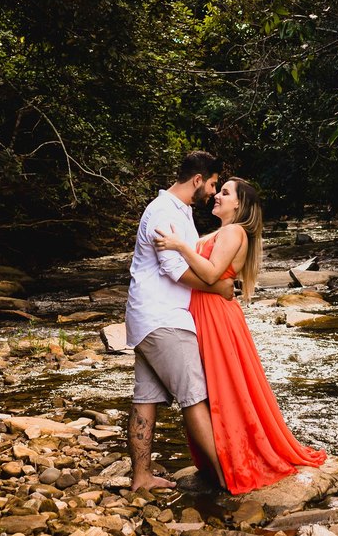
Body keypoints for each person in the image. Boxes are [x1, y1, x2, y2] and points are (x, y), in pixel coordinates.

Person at [154, 177, 327, 495]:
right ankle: (219, 456)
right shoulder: (222, 232)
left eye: (224, 193)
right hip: (206, 311)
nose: (217, 196)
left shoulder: (234, 232)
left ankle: (234, 455)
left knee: (223, 387)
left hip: (216, 316)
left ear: (239, 204)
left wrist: (179, 245)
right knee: (211, 386)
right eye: (219, 191)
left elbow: (209, 273)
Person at [125, 150, 235, 493]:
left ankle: (141, 477)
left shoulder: (180, 211)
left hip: (150, 318)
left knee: (146, 398)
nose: (214, 192)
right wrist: (219, 287)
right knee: (195, 398)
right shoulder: (162, 211)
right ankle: (225, 477)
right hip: (164, 321)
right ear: (198, 180)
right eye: (213, 184)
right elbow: (174, 270)